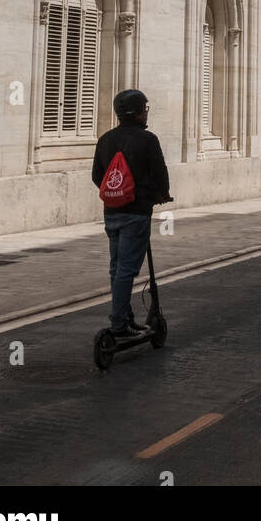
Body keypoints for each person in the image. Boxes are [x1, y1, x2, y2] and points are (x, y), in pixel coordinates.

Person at [92, 89, 171, 339]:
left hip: (112, 213)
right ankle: (118, 325)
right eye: (144, 109)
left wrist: (116, 193)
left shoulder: (105, 139)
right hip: (136, 213)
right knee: (126, 270)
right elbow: (160, 173)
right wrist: (161, 194)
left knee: (117, 269)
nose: (146, 112)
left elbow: (97, 176)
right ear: (138, 112)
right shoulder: (147, 139)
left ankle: (126, 319)